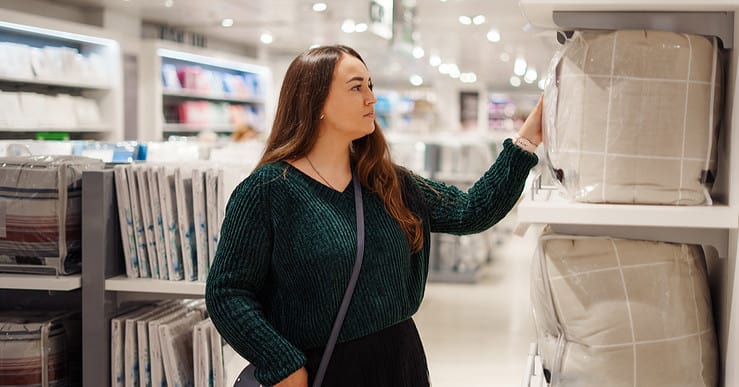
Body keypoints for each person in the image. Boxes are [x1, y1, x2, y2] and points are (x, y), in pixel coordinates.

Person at [205, 44, 543, 387]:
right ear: (315, 100)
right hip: (321, 370)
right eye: (356, 87)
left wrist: (527, 140)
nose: (371, 99)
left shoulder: (387, 182)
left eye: (371, 86)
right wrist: (281, 363)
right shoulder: (268, 190)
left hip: (399, 362)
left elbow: (472, 211)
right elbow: (227, 292)